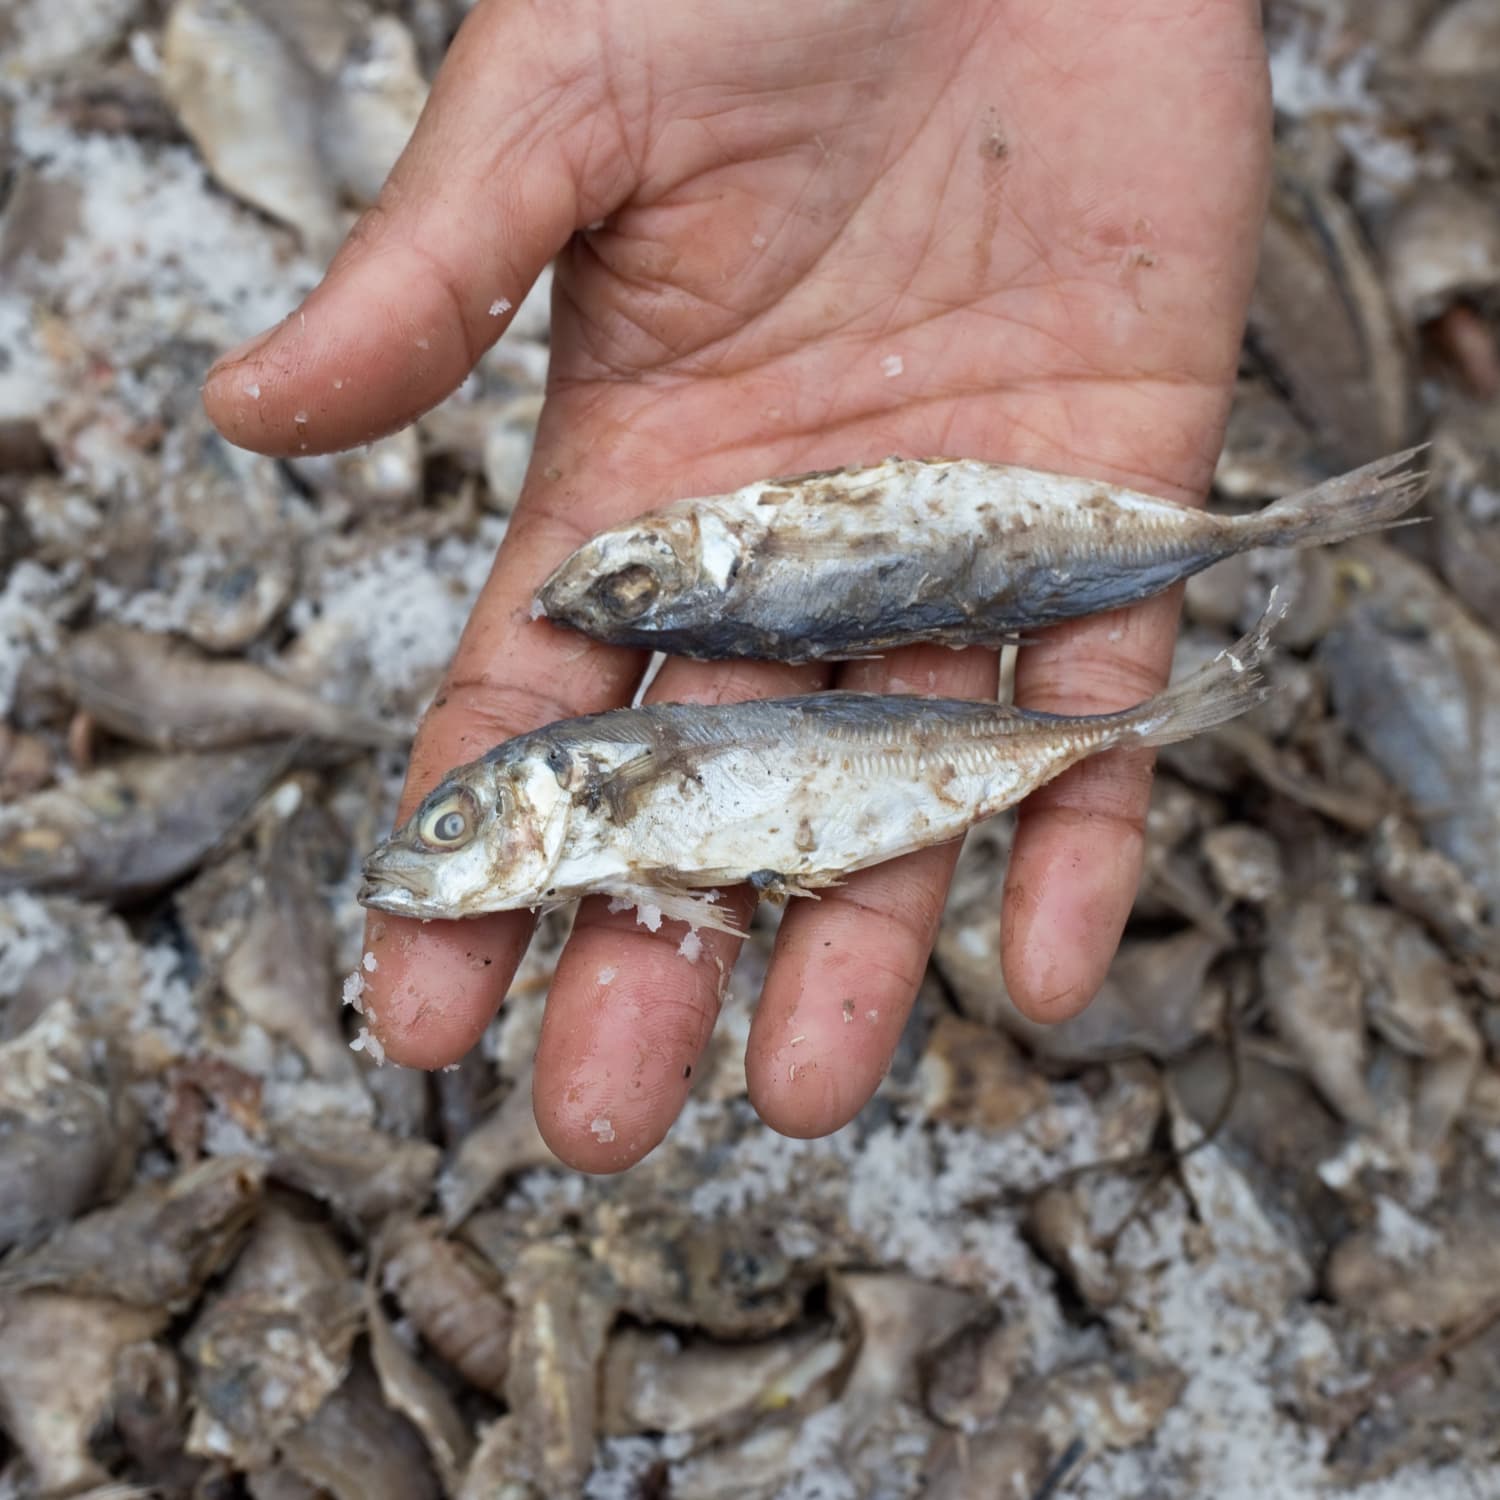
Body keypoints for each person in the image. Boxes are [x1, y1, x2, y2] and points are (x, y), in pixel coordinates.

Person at [203, 0, 1271, 1172]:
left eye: (456, 823)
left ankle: (1171, 658)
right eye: (448, 827)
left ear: (552, 794)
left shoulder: (598, 757)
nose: (434, 846)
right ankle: (1151, 687)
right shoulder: (602, 771)